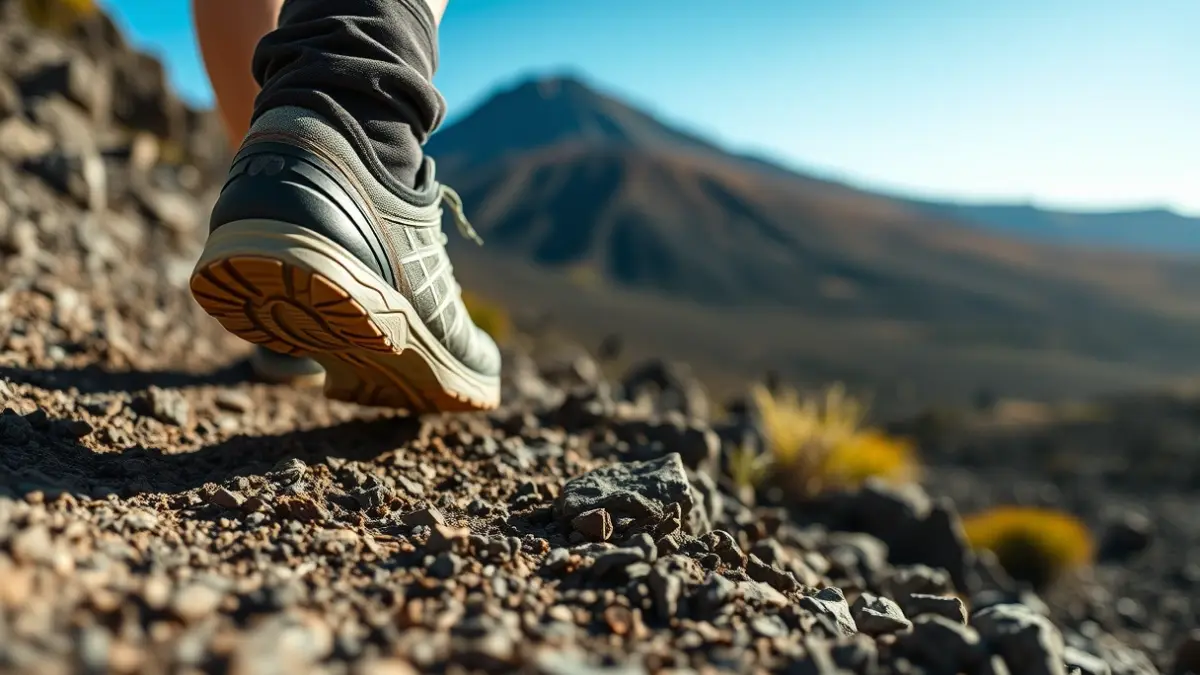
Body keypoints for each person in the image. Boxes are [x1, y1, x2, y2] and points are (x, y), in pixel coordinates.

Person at [190, 0, 500, 412]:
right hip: (355, 160)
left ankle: (288, 186)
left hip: (261, 169)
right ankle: (361, 127)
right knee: (347, 91)